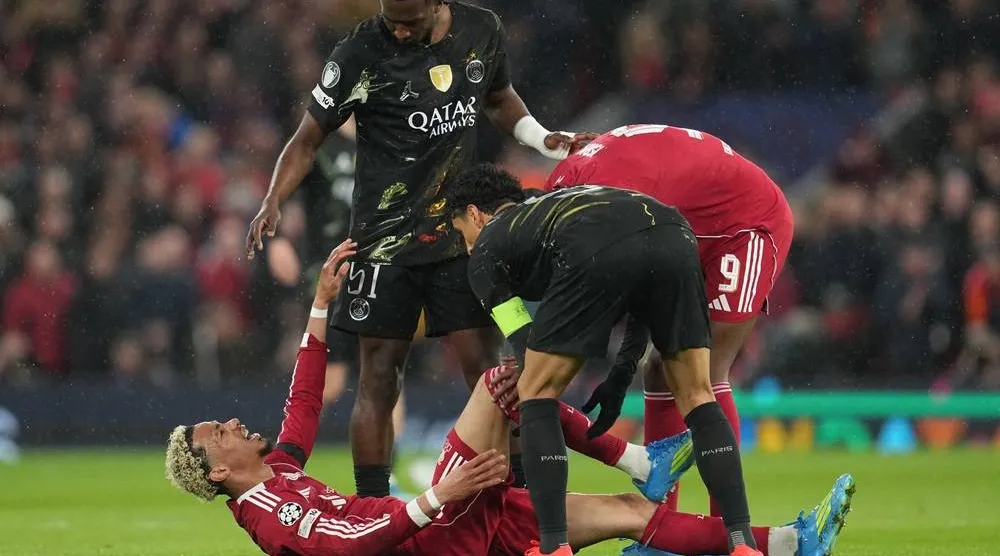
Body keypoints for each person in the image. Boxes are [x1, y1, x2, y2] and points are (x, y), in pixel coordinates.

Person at [164, 239, 855, 556]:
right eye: (215, 434)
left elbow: (304, 407)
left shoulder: (278, 470)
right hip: (435, 536)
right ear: (218, 471)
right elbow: (355, 542)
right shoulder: (271, 517)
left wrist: (319, 309)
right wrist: (443, 491)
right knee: (503, 382)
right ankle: (641, 458)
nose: (228, 423)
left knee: (624, 515)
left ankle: (795, 540)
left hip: (451, 524)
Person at [245, 0, 593, 498]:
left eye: (409, 23)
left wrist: (545, 140)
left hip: (460, 237)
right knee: (379, 381)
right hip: (383, 243)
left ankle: (515, 502)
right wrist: (272, 200)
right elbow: (306, 139)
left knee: (492, 372)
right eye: (393, 23)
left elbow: (498, 97)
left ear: (438, 4)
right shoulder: (360, 51)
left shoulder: (481, 29)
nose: (400, 34)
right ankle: (372, 507)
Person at [449, 165, 761, 556]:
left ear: (476, 215)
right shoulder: (552, 206)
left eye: (462, 234)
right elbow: (639, 279)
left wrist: (532, 378)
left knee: (534, 391)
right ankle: (743, 543)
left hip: (597, 241)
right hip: (673, 232)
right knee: (699, 395)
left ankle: (552, 546)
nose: (466, 247)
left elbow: (523, 341)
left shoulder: (487, 249)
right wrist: (623, 370)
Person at [543, 123, 796, 516]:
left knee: (703, 372)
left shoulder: (600, 209)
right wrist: (624, 367)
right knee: (660, 369)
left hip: (745, 224)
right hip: (688, 227)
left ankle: (723, 526)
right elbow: (645, 281)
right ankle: (661, 525)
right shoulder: (571, 189)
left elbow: (634, 273)